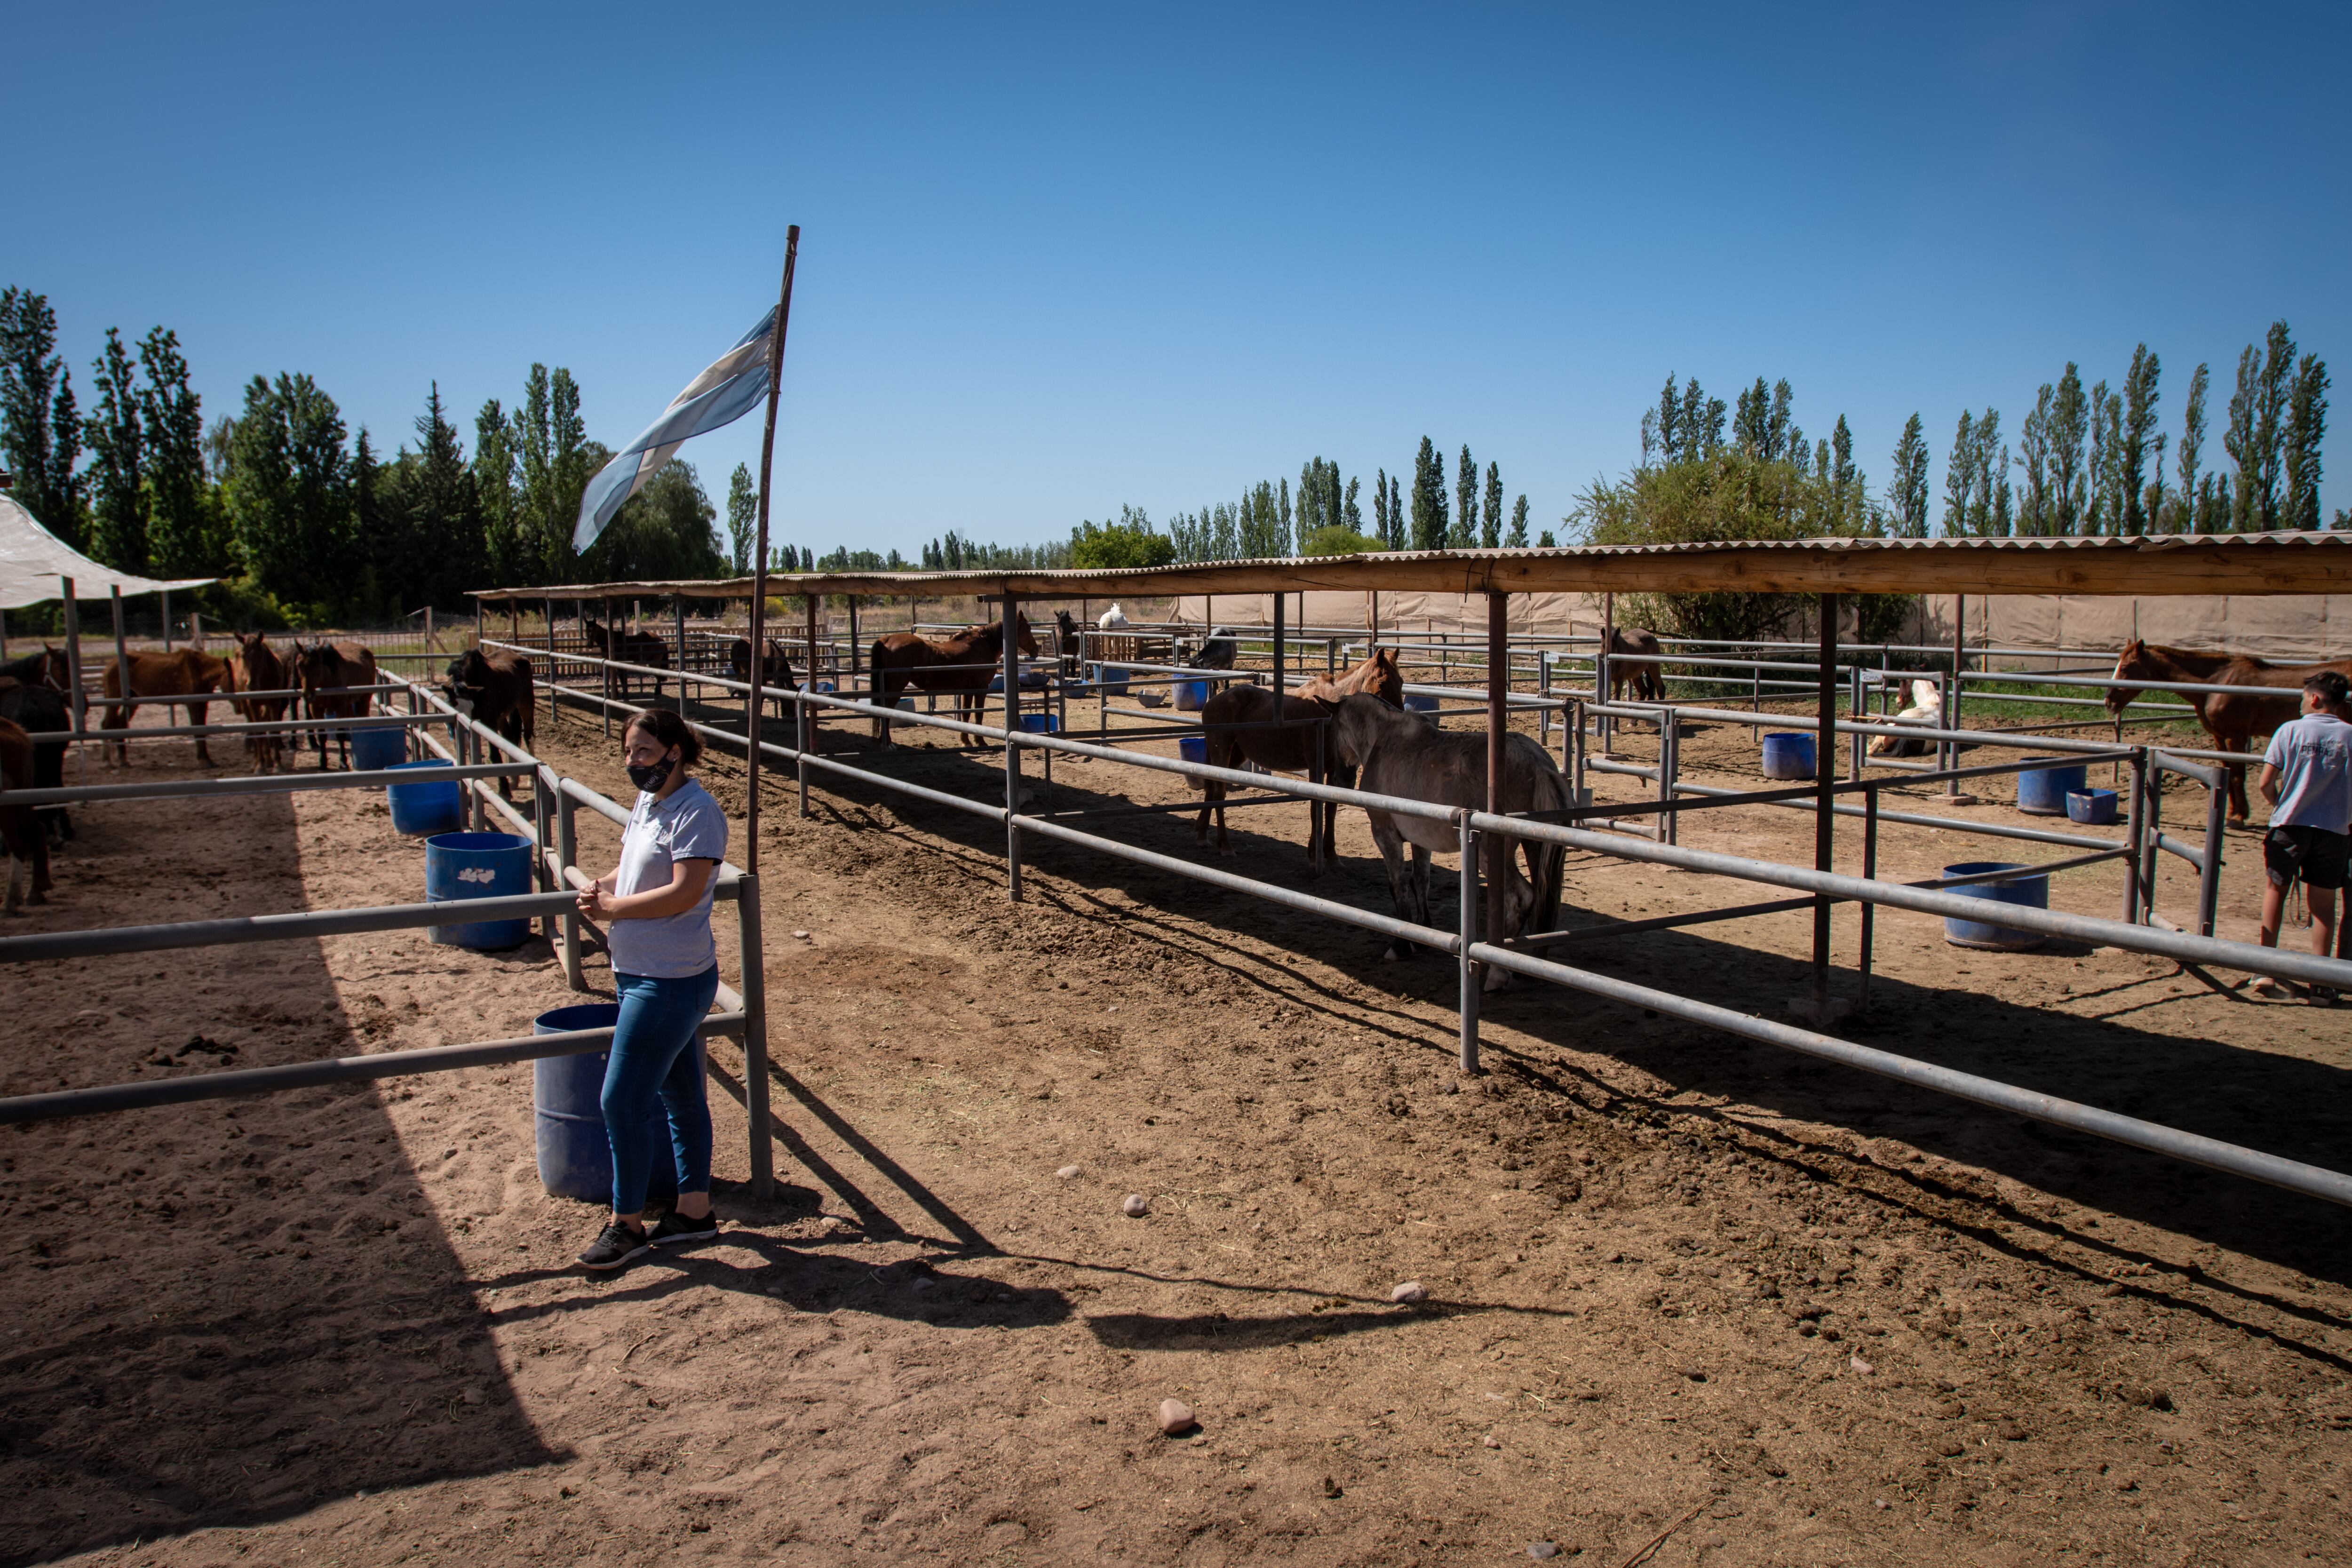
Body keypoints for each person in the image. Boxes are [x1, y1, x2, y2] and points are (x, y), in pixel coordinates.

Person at [574, 708, 729, 1269]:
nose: (631, 763)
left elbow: (685, 891)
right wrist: (602, 887)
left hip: (668, 978)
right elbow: (636, 867)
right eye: (628, 752)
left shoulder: (698, 811)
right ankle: (693, 1213)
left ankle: (627, 1224)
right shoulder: (650, 802)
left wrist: (614, 909)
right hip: (641, 970)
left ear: (674, 752)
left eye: (642, 752)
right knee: (681, 1096)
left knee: (621, 1100)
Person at [2254, 669, 2352, 1005]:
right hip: (2334, 830)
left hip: (2290, 825)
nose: (2300, 704)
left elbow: (2265, 783)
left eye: (2302, 698)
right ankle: (2321, 983)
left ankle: (2263, 967)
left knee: (2275, 891)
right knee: (2324, 905)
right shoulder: (2350, 736)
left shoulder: (2290, 730)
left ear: (2314, 698)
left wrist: (2279, 806)